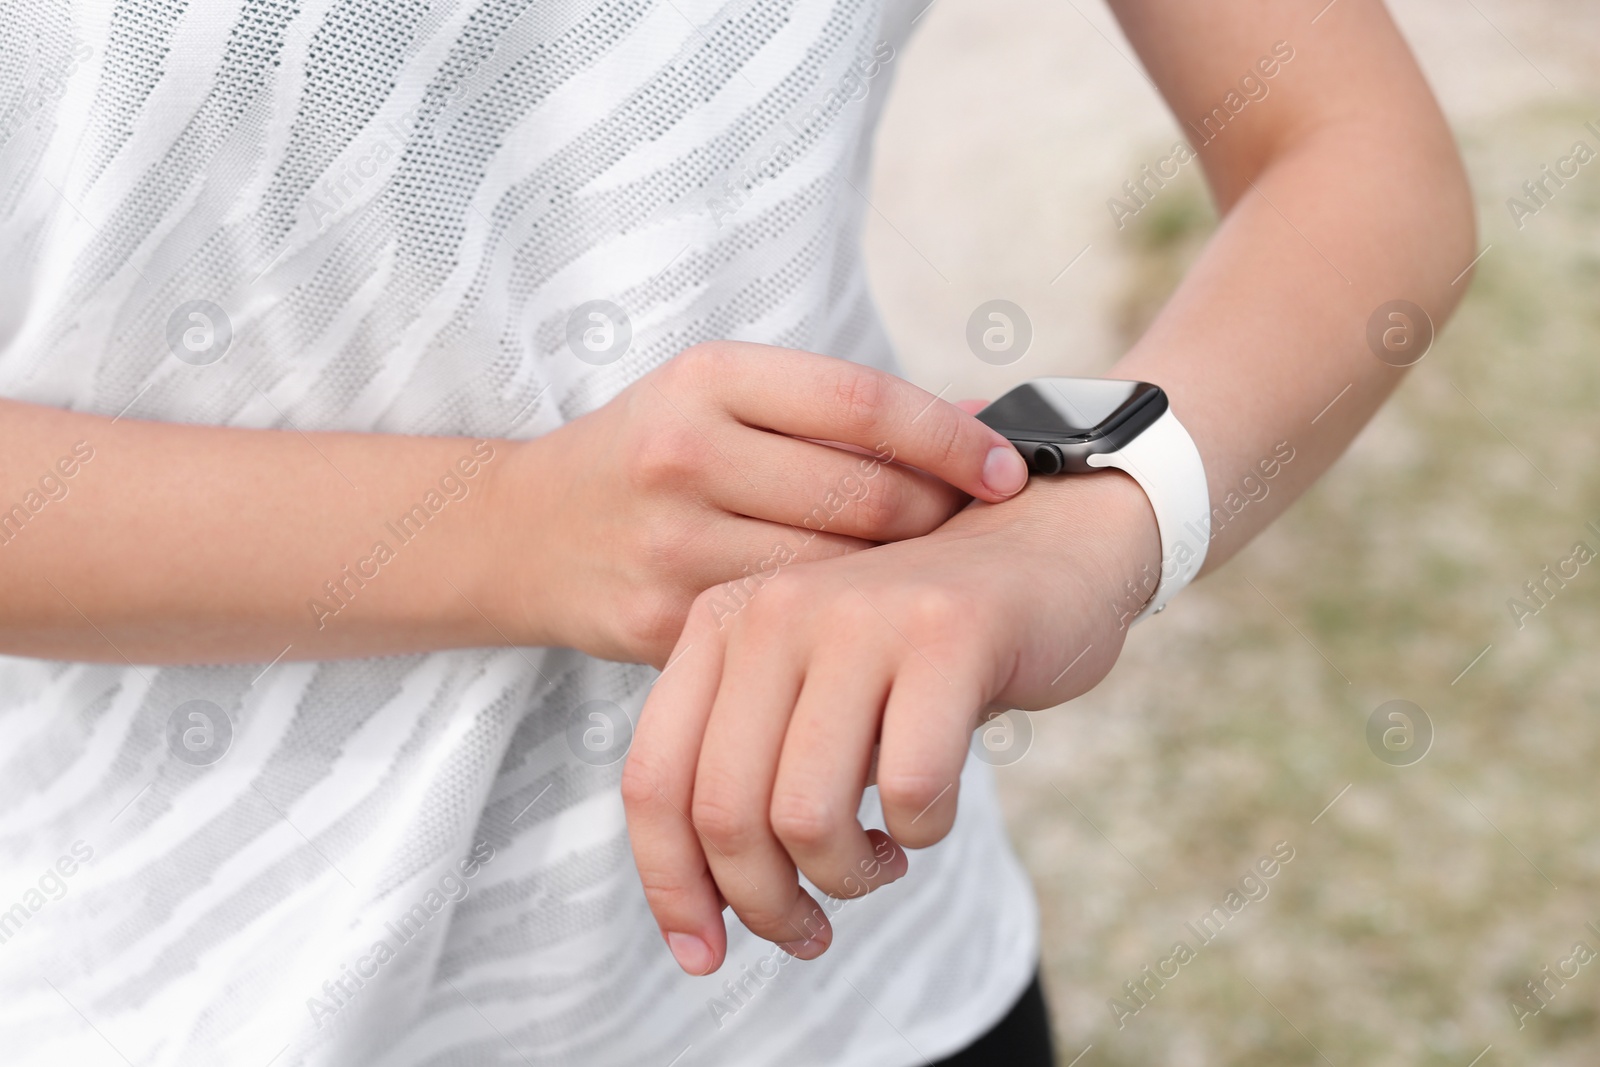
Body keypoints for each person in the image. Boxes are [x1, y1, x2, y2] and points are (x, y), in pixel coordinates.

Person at [0, 0, 1472, 1063]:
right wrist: (507, 533)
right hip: (149, 989)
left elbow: (1347, 146)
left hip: (853, 989)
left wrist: (1072, 529)